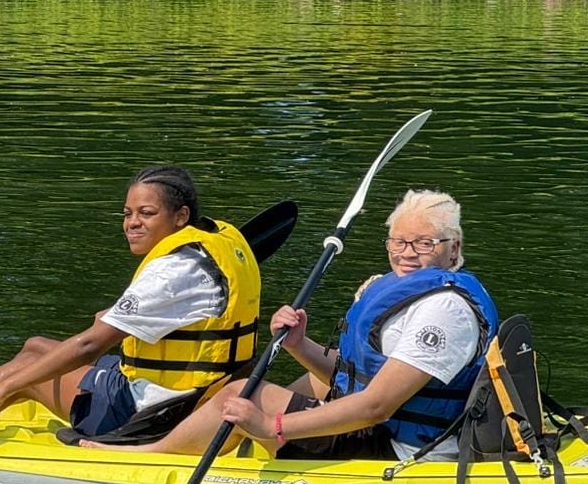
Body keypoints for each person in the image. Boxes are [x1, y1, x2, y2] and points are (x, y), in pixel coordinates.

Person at [86, 189, 497, 459]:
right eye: (398, 242)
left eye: (425, 243)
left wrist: (272, 424)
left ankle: (151, 456)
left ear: (453, 248)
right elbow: (353, 378)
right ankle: (222, 438)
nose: (407, 253)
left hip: (401, 448)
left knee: (243, 393)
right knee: (309, 383)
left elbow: (376, 405)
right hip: (384, 428)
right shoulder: (404, 290)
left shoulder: (444, 310)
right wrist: (301, 345)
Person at [0, 166, 261, 434]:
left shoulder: (169, 273)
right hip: (202, 399)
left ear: (181, 217)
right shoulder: (214, 246)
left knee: (29, 367)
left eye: (146, 214)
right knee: (39, 347)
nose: (132, 223)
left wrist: (1, 388)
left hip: (151, 414)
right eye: (127, 213)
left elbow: (88, 346)